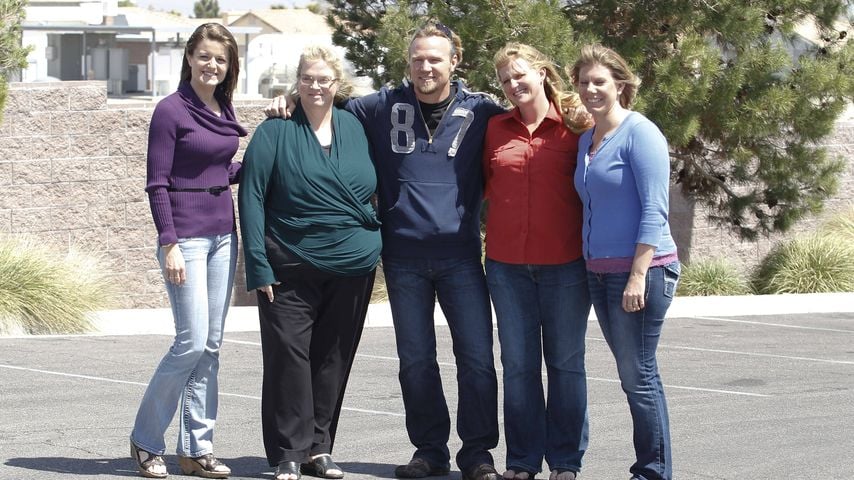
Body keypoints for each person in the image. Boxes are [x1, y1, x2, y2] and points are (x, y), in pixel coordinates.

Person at [265, 21, 505, 480]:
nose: (425, 66)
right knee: (415, 361)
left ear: (455, 61)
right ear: (408, 62)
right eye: (417, 58)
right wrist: (293, 99)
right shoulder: (379, 106)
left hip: (460, 258)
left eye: (435, 58)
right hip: (403, 259)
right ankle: (429, 450)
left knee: (476, 358)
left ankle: (477, 453)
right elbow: (325, 101)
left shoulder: (484, 113)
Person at [238, 45, 382, 480]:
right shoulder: (274, 131)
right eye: (307, 79)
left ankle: (320, 448)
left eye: (324, 80)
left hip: (352, 267)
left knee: (333, 357)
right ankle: (288, 453)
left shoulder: (356, 127)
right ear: (296, 83)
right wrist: (257, 265)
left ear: (337, 85)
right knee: (288, 358)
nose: (315, 87)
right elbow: (252, 197)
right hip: (288, 267)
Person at [131, 22, 247, 480]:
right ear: (190, 58)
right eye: (205, 56)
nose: (212, 65)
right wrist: (170, 244)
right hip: (187, 241)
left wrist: (257, 159)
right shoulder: (170, 111)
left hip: (224, 235)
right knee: (191, 341)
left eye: (220, 58)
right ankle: (145, 440)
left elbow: (219, 168)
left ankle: (197, 448)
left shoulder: (222, 108)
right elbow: (157, 183)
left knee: (212, 347)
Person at [569, 44, 681, 480]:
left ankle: (653, 472)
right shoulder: (587, 140)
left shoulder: (641, 133)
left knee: (639, 376)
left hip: (644, 273)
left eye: (600, 81)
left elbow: (656, 209)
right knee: (632, 375)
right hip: (600, 273)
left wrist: (638, 275)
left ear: (620, 84)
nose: (591, 89)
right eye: (584, 82)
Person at [482, 43, 593, 480]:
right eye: (506, 79)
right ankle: (523, 461)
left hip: (565, 265)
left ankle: (565, 461)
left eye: (520, 74)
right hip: (506, 267)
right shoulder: (493, 129)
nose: (513, 85)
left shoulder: (577, 126)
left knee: (566, 364)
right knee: (519, 366)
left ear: (543, 72)